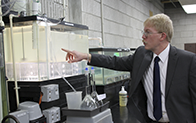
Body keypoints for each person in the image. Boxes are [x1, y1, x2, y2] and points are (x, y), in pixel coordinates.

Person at [61, 13, 196, 123]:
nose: (143, 36)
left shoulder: (188, 61)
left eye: (147, 32)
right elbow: (115, 62)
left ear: (162, 36)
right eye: (143, 32)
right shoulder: (141, 55)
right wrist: (85, 56)